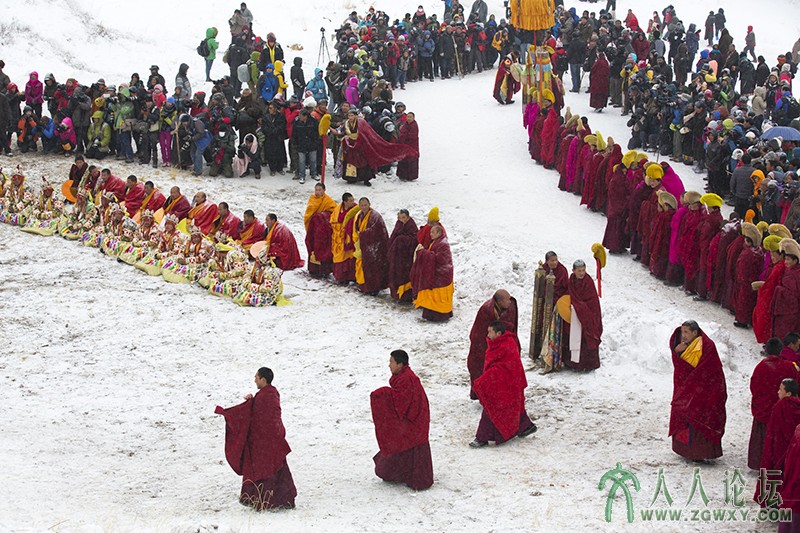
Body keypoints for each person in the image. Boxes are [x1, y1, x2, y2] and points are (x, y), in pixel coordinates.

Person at [215, 367, 296, 510]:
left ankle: (262, 500)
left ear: (263, 380)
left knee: (261, 470)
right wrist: (251, 402)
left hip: (263, 443)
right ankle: (283, 500)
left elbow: (255, 417)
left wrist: (231, 412)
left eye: (256, 377)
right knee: (276, 470)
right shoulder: (272, 394)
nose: (254, 380)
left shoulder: (265, 397)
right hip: (272, 441)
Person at [370, 349, 433, 491]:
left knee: (405, 442)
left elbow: (401, 401)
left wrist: (382, 394)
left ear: (400, 364)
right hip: (413, 419)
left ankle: (412, 477)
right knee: (402, 443)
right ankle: (400, 474)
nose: (389, 365)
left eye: (391, 362)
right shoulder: (402, 376)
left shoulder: (407, 379)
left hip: (415, 421)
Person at [470, 321, 537, 448]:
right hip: (504, 382)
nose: (487, 334)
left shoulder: (507, 345)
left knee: (492, 408)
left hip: (509, 382)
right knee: (515, 408)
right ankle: (525, 427)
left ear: (498, 333)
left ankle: (482, 437)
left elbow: (507, 366)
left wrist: (487, 378)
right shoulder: (495, 344)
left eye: (490, 331)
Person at [669, 320, 727, 461]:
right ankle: (686, 450)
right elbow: (683, 369)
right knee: (685, 414)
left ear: (695, 333)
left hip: (705, 391)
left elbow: (708, 370)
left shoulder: (706, 346)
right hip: (688, 389)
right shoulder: (682, 346)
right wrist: (677, 353)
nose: (683, 335)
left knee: (700, 417)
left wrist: (696, 386)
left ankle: (701, 451)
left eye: (686, 332)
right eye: (682, 332)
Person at [748, 337, 800, 469]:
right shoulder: (788, 366)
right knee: (779, 438)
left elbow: (754, 386)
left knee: (762, 438)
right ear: (781, 350)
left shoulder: (760, 367)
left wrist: (761, 399)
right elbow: (795, 384)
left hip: (763, 408)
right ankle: (777, 463)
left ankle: (759, 462)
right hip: (783, 410)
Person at [755, 378, 800, 509]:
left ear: (788, 394)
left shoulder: (781, 407)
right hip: (793, 452)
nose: (777, 392)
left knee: (776, 477)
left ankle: (773, 503)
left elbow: (773, 431)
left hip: (778, 450)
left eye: (781, 389)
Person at [467, 289, 518, 399]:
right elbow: (479, 332)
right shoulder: (486, 311)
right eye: (506, 300)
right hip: (483, 344)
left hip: (502, 345)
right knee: (482, 368)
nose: (510, 302)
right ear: (499, 301)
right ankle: (485, 394)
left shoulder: (509, 308)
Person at [410, 225, 454, 321]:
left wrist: (423, 253)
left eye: (432, 232)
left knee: (436, 292)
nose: (430, 234)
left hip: (442, 273)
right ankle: (433, 313)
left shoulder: (443, 244)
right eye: (430, 232)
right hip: (438, 272)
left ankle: (439, 315)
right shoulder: (436, 241)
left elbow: (440, 259)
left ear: (439, 233)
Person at [565, 259, 602, 371]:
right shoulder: (571, 280)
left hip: (588, 315)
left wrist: (580, 307)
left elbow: (592, 300)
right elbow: (569, 295)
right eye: (579, 271)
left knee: (587, 337)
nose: (581, 273)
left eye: (583, 270)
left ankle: (587, 364)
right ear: (573, 271)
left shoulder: (588, 281)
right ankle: (573, 363)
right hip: (574, 314)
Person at [352, 197, 389, 295]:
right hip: (364, 245)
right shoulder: (359, 215)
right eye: (362, 205)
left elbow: (378, 231)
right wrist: (359, 236)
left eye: (365, 205)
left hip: (375, 246)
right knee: (363, 266)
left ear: (369, 204)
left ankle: (373, 288)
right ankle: (364, 286)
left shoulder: (375, 216)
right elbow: (356, 229)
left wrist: (363, 234)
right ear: (359, 206)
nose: (364, 207)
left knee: (373, 268)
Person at [304, 183, 337, 277]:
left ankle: (324, 270)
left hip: (324, 229)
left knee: (323, 249)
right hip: (314, 228)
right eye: (316, 190)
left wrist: (322, 216)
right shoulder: (312, 199)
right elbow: (308, 213)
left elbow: (333, 212)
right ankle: (313, 269)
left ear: (324, 190)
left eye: (319, 190)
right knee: (312, 246)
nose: (317, 192)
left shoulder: (328, 201)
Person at [387, 209, 418, 302]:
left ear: (408, 217)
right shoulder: (398, 224)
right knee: (395, 274)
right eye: (400, 218)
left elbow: (414, 239)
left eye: (404, 217)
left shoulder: (411, 225)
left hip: (406, 257)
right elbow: (393, 235)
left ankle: (406, 296)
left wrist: (402, 240)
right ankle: (396, 295)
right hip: (397, 256)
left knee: (404, 276)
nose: (402, 220)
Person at [331, 192, 357, 284]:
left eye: (353, 200)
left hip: (350, 237)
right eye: (350, 200)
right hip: (339, 238)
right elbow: (333, 221)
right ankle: (341, 278)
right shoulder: (338, 209)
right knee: (340, 257)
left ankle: (352, 277)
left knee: (351, 256)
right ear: (345, 202)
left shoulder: (355, 209)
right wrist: (341, 229)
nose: (353, 202)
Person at [291, 109, 318, 184]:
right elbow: (294, 134)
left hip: (311, 144)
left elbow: (316, 133)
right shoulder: (297, 122)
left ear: (305, 116)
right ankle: (302, 176)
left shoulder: (313, 122)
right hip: (301, 144)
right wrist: (295, 143)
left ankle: (314, 174)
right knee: (301, 161)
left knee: (313, 160)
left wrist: (315, 142)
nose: (299, 117)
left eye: (301, 116)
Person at [396, 112, 419, 181]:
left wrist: (404, 137)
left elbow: (412, 136)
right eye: (408, 117)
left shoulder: (414, 125)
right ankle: (402, 175)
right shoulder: (405, 125)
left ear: (413, 118)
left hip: (412, 146)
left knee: (411, 161)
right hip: (404, 146)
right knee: (403, 160)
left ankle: (410, 176)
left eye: (410, 117)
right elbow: (401, 133)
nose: (408, 118)